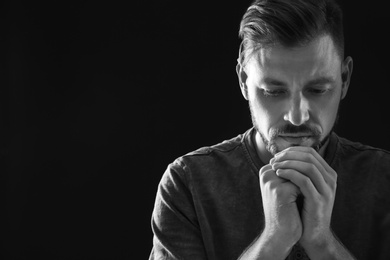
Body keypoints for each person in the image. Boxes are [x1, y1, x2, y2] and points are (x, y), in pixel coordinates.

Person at [149, 0, 390, 259]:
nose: (297, 117)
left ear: (344, 79)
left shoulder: (384, 181)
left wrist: (322, 242)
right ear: (243, 81)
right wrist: (274, 239)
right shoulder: (188, 184)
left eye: (317, 90)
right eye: (274, 92)